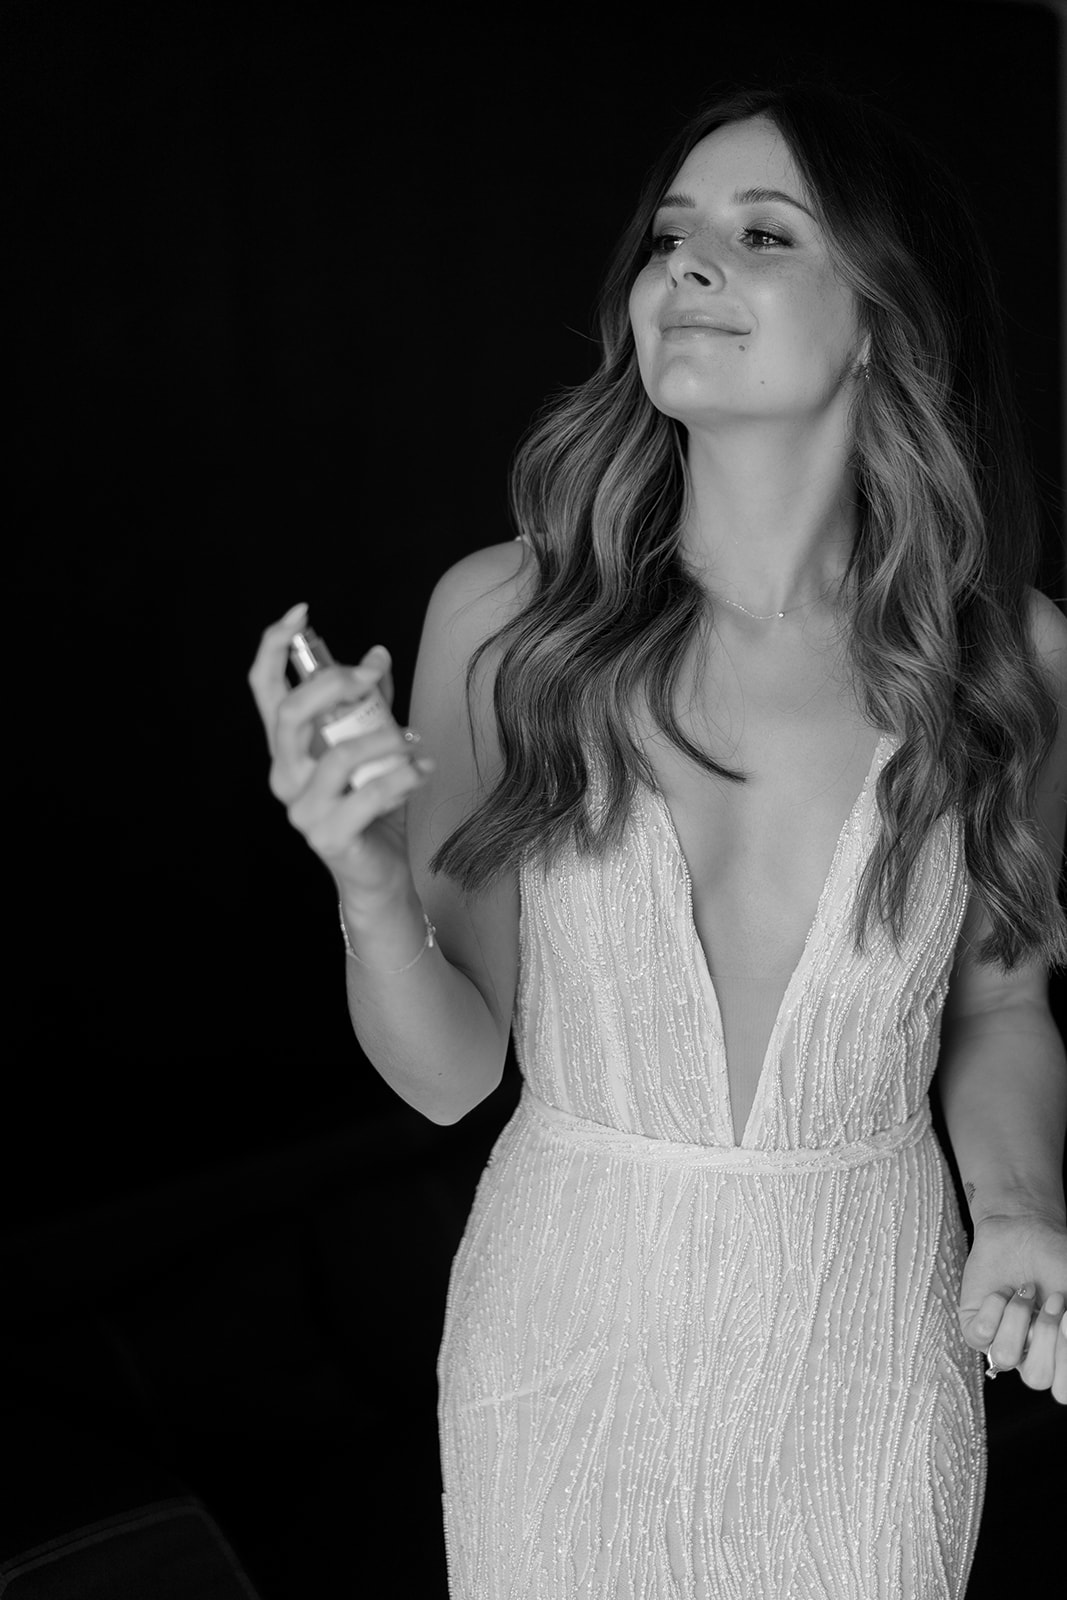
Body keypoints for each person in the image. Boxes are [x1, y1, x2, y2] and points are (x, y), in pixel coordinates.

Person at [249, 78, 1067, 1599]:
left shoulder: (1006, 657)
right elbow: (449, 1075)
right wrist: (365, 884)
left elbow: (1002, 1001)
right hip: (565, 1353)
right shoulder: (509, 623)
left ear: (885, 320)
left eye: (763, 235)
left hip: (866, 1352)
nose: (686, 263)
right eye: (671, 234)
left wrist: (1019, 1212)